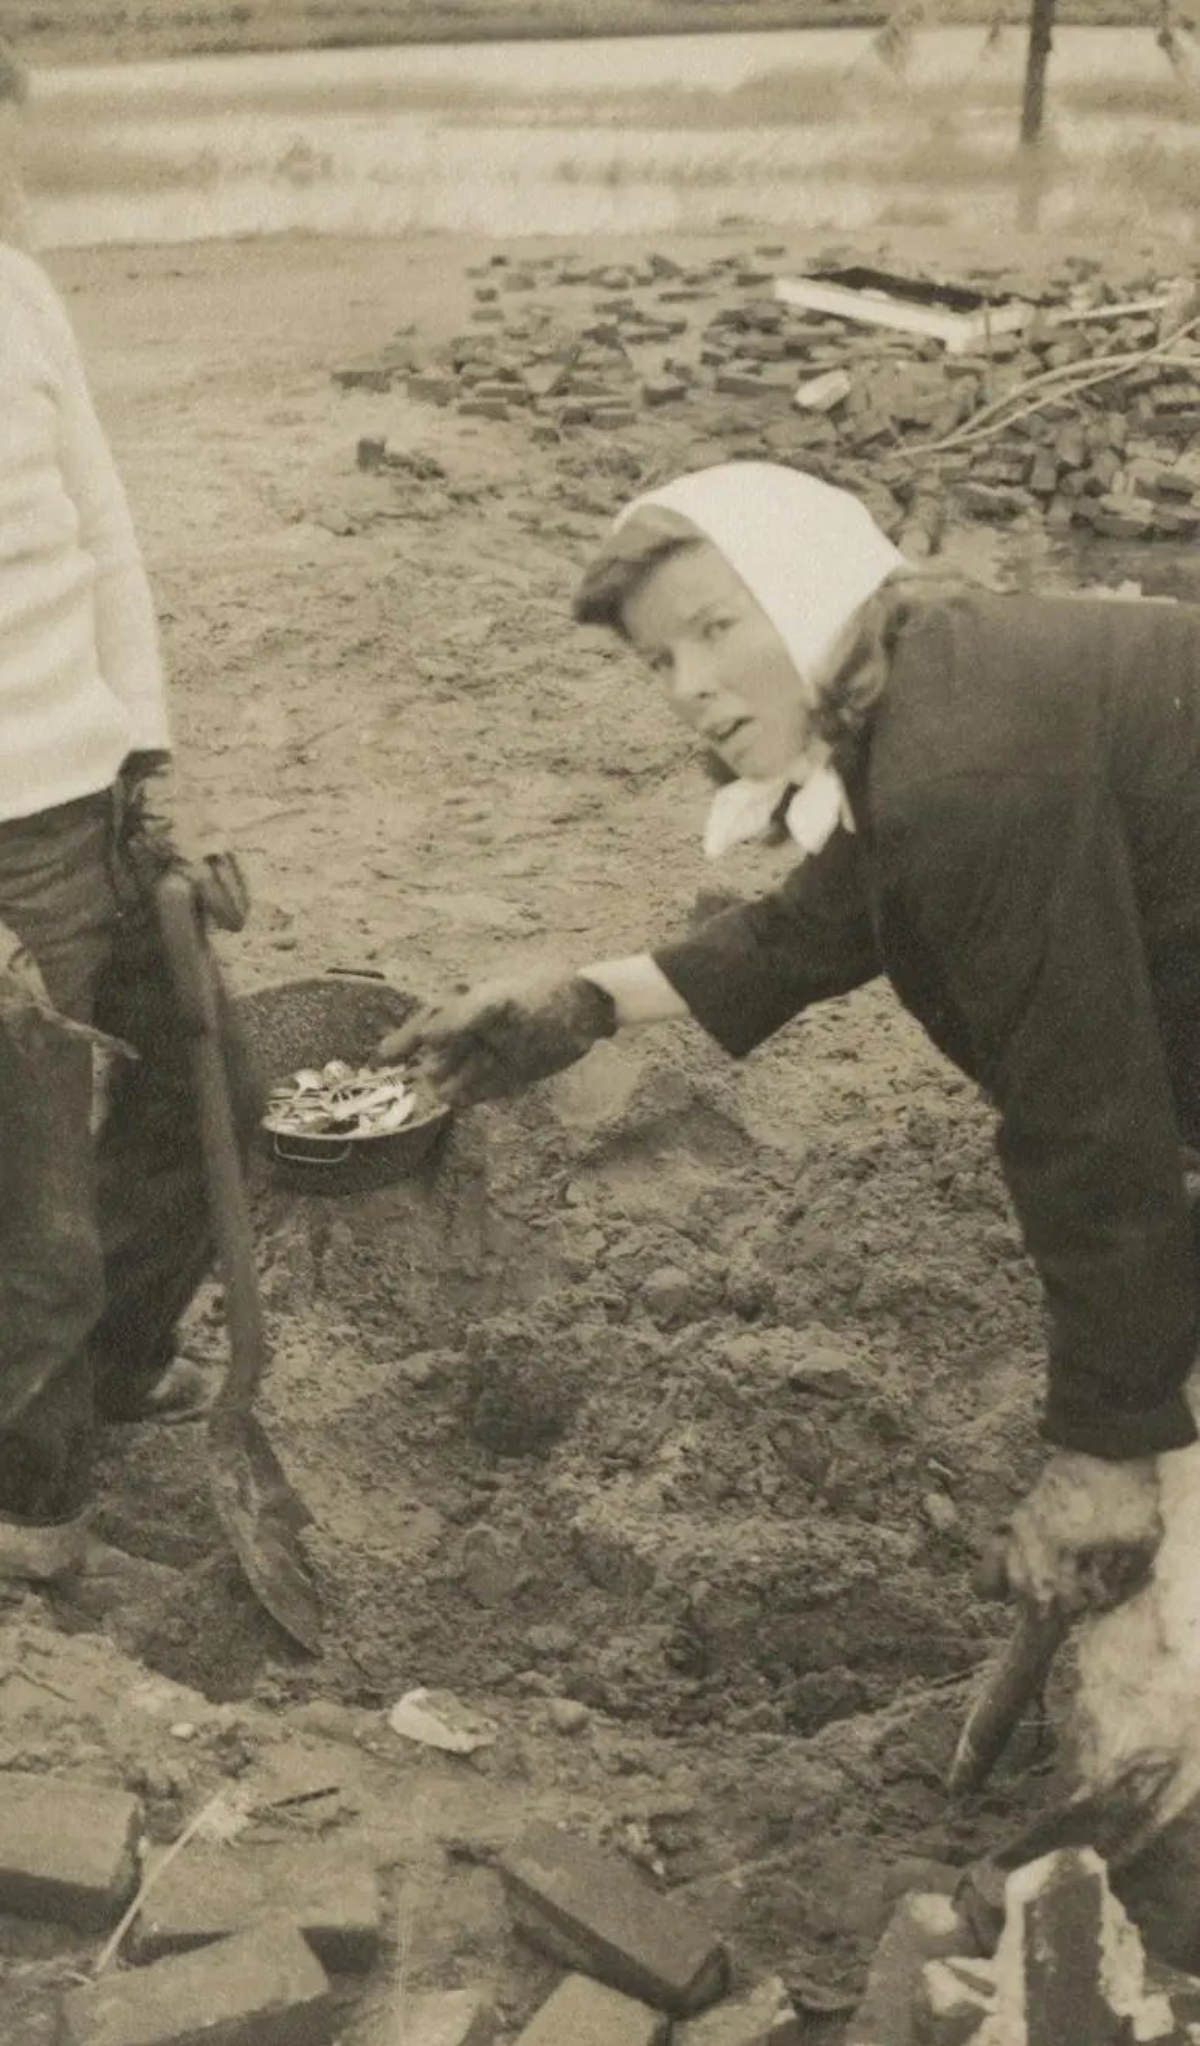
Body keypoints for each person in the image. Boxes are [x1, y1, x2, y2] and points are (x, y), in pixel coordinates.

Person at [378, 457, 1200, 1625]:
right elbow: (838, 909)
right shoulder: (933, 678)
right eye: (662, 659)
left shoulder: (964, 768)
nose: (693, 687)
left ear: (812, 587)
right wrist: (591, 1000)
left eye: (718, 628)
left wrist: (1107, 1450)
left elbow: (1088, 1112)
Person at [0, 54, 260, 1582]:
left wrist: (145, 752)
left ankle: (104, 1389)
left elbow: (105, 530)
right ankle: (33, 1531)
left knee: (202, 1112)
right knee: (38, 1233)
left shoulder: (21, 298)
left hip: (92, 803)